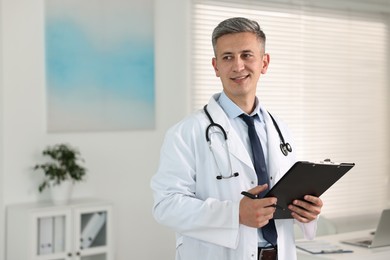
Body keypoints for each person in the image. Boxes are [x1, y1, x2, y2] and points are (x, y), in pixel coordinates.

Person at [151, 17, 323, 260]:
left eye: (247, 55)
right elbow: (165, 206)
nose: (238, 66)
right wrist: (234, 215)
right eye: (227, 57)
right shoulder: (186, 132)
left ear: (264, 62)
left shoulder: (281, 130)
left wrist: (306, 210)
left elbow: (285, 197)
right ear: (215, 66)